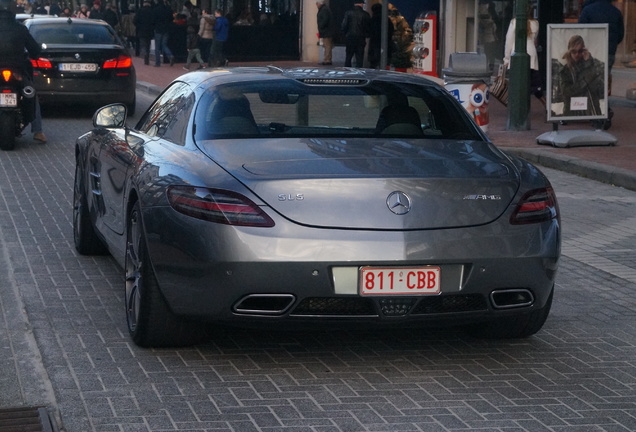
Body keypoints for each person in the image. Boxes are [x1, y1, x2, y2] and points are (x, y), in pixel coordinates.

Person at [0, 0, 46, 142]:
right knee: (31, 93)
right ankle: (38, 131)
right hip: (17, 71)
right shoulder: (20, 29)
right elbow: (34, 49)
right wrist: (37, 53)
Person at [503, 7, 545, 105]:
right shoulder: (535, 23)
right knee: (534, 84)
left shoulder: (514, 22)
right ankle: (547, 107)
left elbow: (509, 41)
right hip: (532, 55)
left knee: (518, 84)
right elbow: (534, 38)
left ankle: (518, 106)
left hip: (516, 54)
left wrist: (506, 59)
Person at [558, 35, 605, 117]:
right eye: (574, 52)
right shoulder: (565, 70)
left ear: (584, 51)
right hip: (572, 112)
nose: (577, 54)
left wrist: (588, 64)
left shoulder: (592, 65)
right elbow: (566, 92)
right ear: (569, 51)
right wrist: (586, 80)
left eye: (580, 51)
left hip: (591, 111)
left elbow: (599, 89)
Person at [341, 2, 370, 68]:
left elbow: (344, 25)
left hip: (350, 37)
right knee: (359, 58)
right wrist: (366, 34)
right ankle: (359, 73)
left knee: (348, 57)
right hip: (361, 38)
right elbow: (368, 27)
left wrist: (345, 34)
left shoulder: (348, 13)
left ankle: (347, 71)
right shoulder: (365, 14)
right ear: (361, 4)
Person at [368, 2, 394, 69]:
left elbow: (369, 30)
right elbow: (391, 30)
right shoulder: (386, 19)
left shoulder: (373, 19)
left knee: (374, 60)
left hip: (375, 42)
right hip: (386, 42)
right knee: (385, 59)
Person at [152, 0, 175, 67]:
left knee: (157, 47)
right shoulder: (168, 9)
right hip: (166, 29)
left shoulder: (156, 10)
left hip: (158, 29)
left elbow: (153, 20)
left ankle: (158, 62)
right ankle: (170, 55)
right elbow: (171, 18)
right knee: (164, 45)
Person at [316, 0, 336, 66]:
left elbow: (324, 20)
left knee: (327, 46)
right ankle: (327, 59)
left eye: (317, 3)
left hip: (326, 31)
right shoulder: (325, 9)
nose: (316, 5)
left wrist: (321, 26)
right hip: (327, 31)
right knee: (327, 46)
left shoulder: (324, 10)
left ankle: (327, 60)